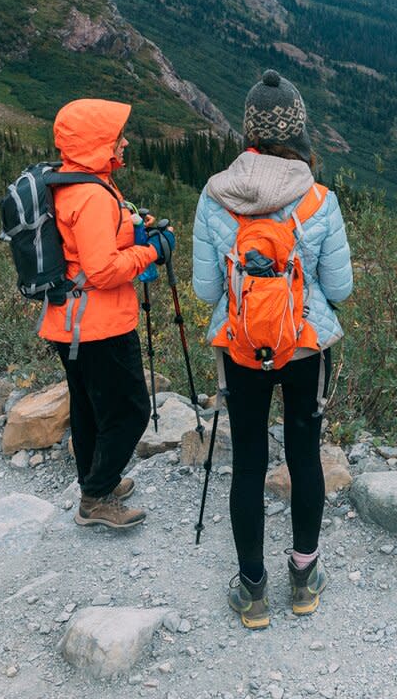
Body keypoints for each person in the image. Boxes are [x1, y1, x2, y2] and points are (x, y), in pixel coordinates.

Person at [193, 71, 352, 629]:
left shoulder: (215, 197)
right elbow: (340, 289)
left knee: (249, 464)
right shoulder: (319, 200)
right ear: (298, 130)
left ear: (249, 133)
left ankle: (252, 590)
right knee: (304, 458)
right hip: (304, 348)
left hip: (240, 350)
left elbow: (207, 290)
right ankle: (304, 580)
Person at [37, 100, 173, 531]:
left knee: (90, 407)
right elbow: (103, 269)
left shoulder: (75, 184)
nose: (125, 141)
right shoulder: (92, 195)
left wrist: (134, 226)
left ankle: (96, 484)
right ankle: (96, 496)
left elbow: (89, 249)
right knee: (131, 410)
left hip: (70, 321)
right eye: (117, 137)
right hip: (98, 324)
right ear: (98, 144)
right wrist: (153, 249)